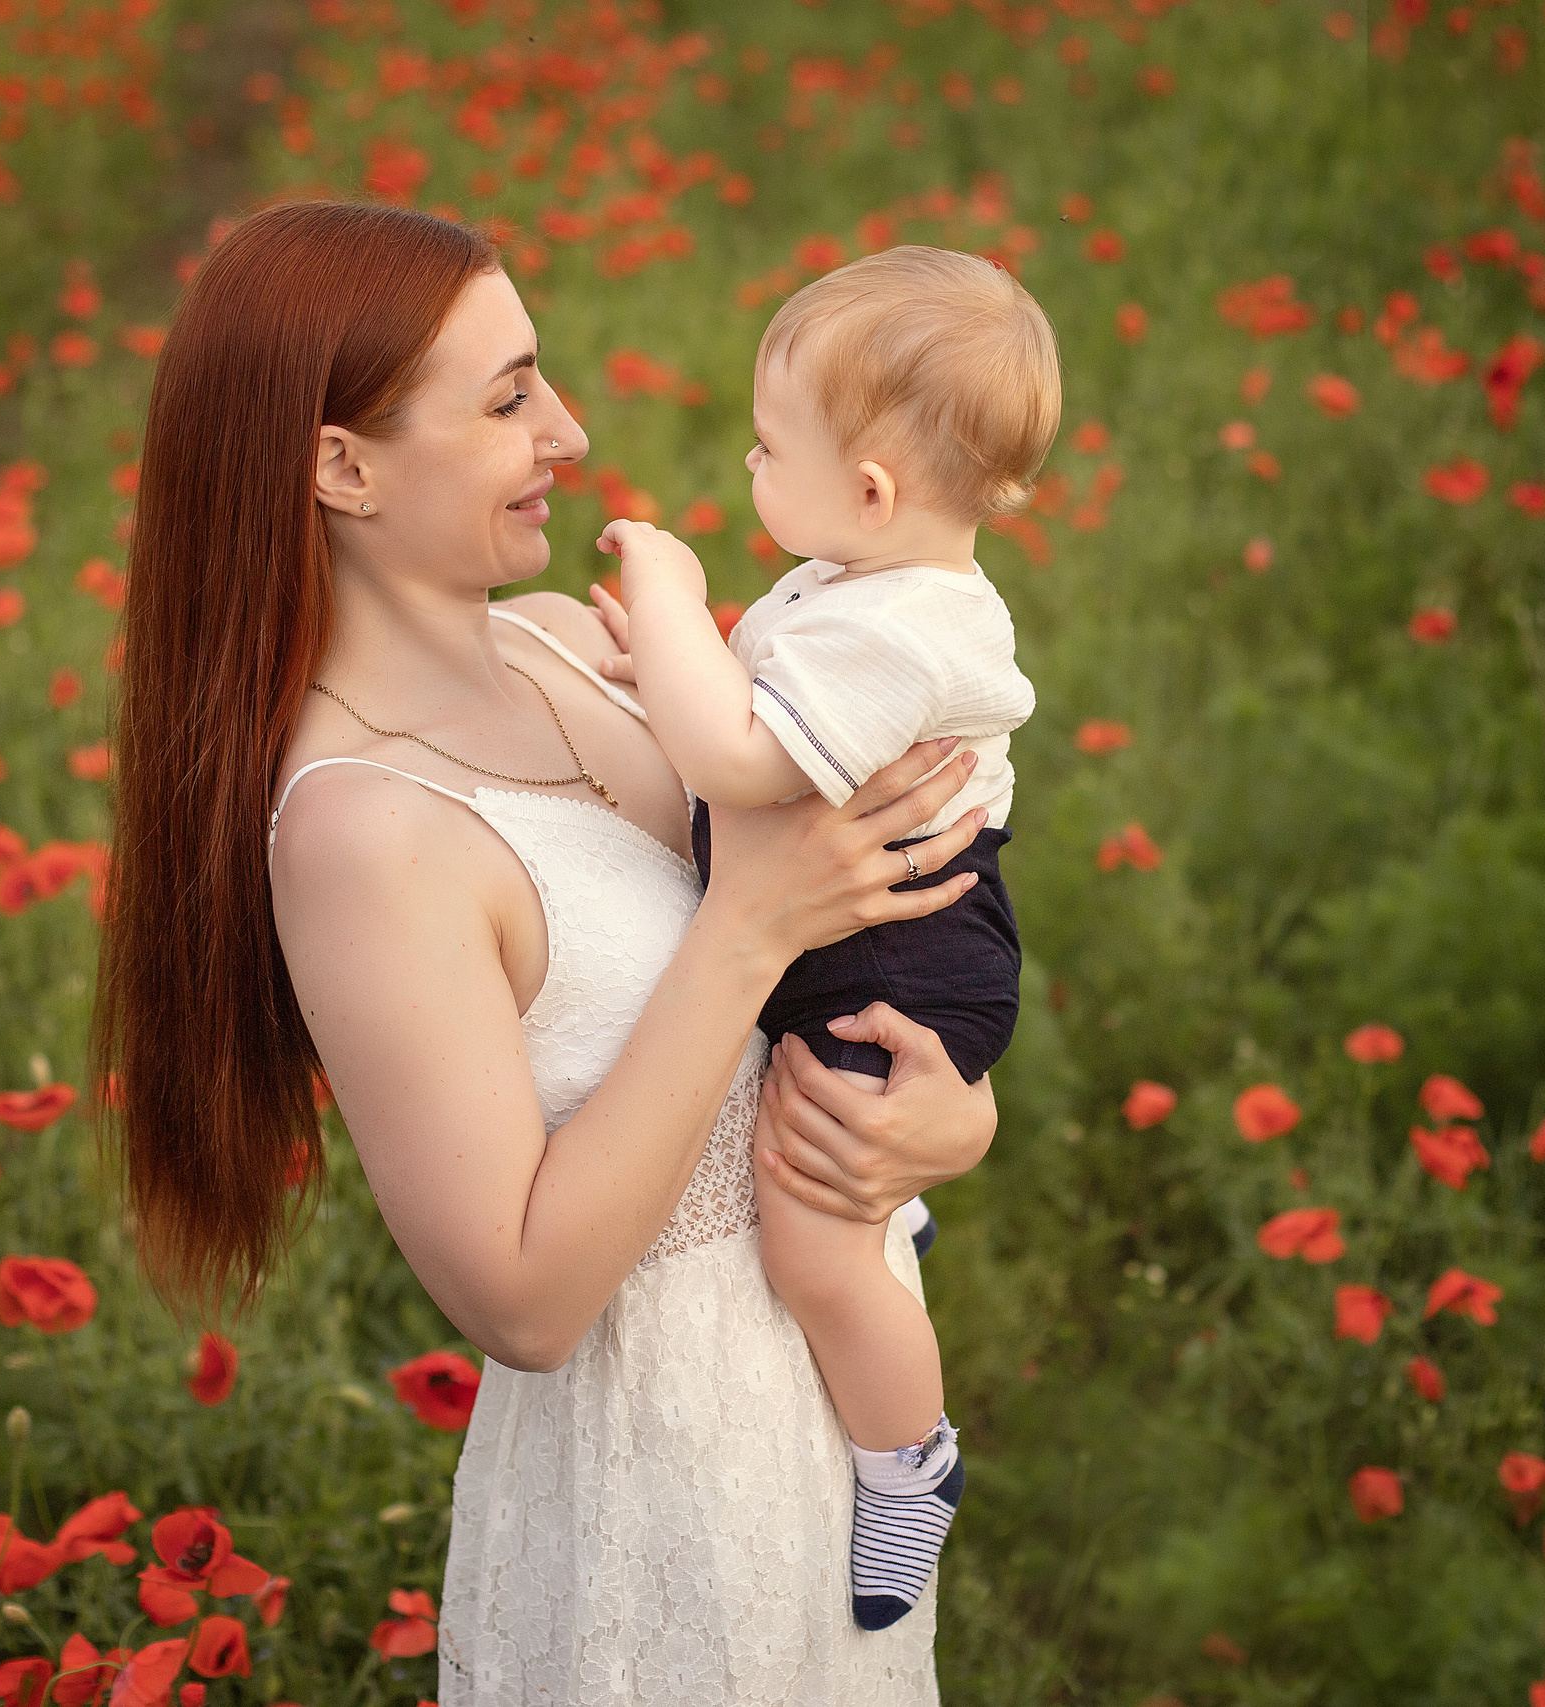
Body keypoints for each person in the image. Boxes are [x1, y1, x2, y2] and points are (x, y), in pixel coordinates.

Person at [90, 198, 999, 1706]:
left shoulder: (576, 651)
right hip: (665, 1486)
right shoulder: (361, 831)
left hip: (824, 1418)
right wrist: (750, 921)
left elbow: (828, 1005)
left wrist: (945, 1121)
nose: (570, 431)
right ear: (341, 465)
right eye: (510, 398)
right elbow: (520, 1299)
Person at [584, 245, 1056, 1628]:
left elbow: (738, 762)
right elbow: (756, 706)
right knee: (824, 1202)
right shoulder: (861, 583)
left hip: (901, 968)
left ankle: (909, 1461)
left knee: (813, 1242)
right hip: (851, 936)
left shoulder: (910, 630)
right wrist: (666, 665)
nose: (744, 462)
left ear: (868, 491)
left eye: (767, 444)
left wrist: (675, 601)